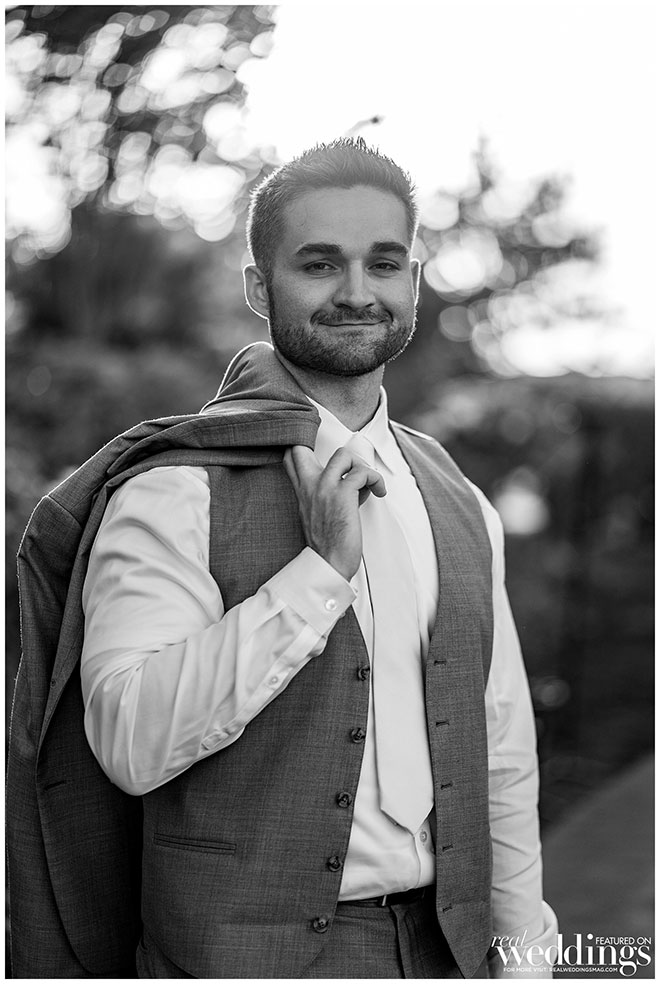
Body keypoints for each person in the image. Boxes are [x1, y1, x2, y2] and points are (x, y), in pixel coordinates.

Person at [80, 138, 558, 979]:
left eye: (384, 263)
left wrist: (526, 960)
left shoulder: (460, 502)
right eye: (319, 264)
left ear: (413, 282)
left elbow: (502, 749)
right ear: (259, 287)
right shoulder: (175, 489)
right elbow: (128, 739)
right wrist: (318, 576)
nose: (357, 293)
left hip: (449, 951)